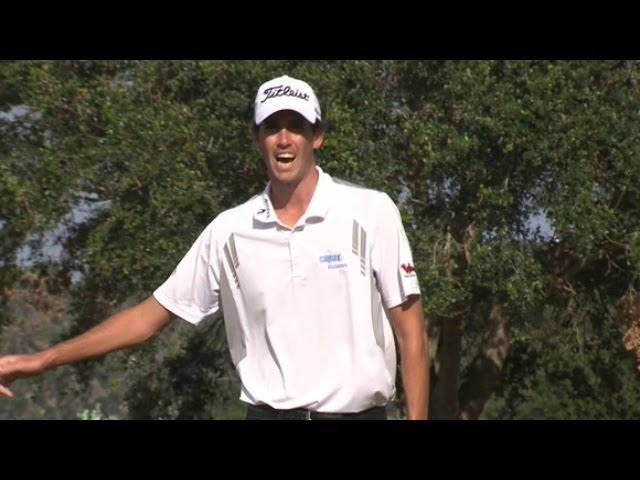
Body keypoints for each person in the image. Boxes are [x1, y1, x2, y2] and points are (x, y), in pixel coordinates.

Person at [0, 75, 429, 420]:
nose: (284, 139)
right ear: (255, 138)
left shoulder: (370, 212)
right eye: (272, 128)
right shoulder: (229, 231)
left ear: (316, 136)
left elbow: (411, 335)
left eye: (296, 127)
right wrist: (41, 360)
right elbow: (148, 318)